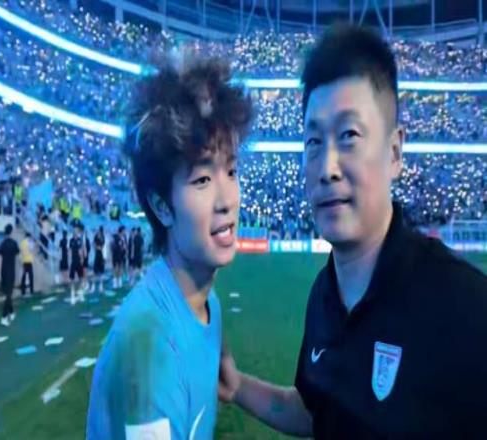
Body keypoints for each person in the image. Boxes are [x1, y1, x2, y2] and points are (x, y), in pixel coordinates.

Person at [218, 25, 487, 438]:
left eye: (349, 136)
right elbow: (318, 412)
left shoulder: (464, 305)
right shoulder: (323, 295)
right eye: (313, 142)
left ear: (394, 152)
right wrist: (237, 387)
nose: (327, 168)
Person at [87, 56, 253, 439]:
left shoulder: (208, 305)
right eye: (201, 180)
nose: (227, 200)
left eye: (231, 171)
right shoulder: (149, 345)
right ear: (162, 206)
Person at [0, 223, 19, 326]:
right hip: (11, 270)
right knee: (9, 294)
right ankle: (4, 317)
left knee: (8, 293)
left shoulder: (2, 243)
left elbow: (0, 253)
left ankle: (11, 312)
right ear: (11, 232)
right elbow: (17, 252)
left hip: (3, 270)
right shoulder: (14, 243)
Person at [69, 223, 85, 305]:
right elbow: (69, 251)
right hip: (73, 261)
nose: (75, 232)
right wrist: (69, 260)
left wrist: (82, 259)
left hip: (79, 261)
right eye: (74, 230)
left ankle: (80, 293)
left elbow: (81, 250)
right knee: (72, 279)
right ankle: (72, 294)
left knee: (81, 278)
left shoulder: (80, 240)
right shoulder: (71, 240)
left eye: (76, 230)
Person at [91, 225, 106, 294]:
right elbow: (93, 244)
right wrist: (97, 247)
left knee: (101, 271)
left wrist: (99, 247)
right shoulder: (96, 236)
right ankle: (93, 286)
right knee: (95, 271)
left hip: (101, 255)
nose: (99, 232)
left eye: (100, 231)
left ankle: (101, 286)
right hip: (96, 255)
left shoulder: (103, 237)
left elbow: (102, 246)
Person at [20, 232, 35, 296]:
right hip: (29, 260)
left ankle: (23, 291)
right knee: (31, 276)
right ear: (29, 236)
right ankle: (31, 290)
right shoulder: (30, 242)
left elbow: (21, 251)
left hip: (24, 261)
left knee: (23, 276)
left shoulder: (22, 243)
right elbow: (32, 250)